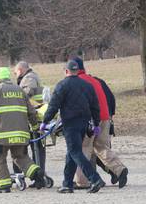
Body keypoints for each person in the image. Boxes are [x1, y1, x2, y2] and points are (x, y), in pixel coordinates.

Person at [0, 67, 45, 193]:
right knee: (20, 156)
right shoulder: (20, 91)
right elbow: (32, 112)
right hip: (21, 135)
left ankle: (4, 185)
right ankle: (37, 173)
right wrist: (35, 127)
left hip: (1, 136)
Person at [40, 60, 105, 193]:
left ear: (66, 71)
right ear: (77, 70)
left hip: (70, 123)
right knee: (71, 152)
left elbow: (53, 105)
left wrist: (45, 121)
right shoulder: (87, 85)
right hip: (84, 122)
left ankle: (95, 178)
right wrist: (96, 123)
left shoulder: (62, 85)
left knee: (75, 152)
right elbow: (95, 106)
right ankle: (67, 184)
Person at [71, 57, 128, 189]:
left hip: (91, 119)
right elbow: (110, 99)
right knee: (101, 147)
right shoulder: (95, 80)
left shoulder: (77, 82)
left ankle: (82, 181)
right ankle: (119, 169)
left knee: (84, 148)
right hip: (105, 117)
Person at [14, 61, 48, 186]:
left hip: (33, 117)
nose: (15, 74)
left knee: (35, 148)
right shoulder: (31, 76)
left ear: (21, 69)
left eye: (16, 71)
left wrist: (16, 95)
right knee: (37, 148)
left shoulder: (29, 78)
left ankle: (37, 176)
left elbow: (27, 92)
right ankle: (39, 175)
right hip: (34, 116)